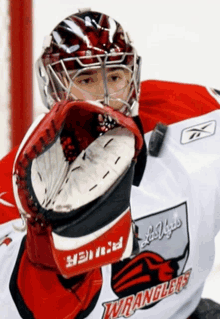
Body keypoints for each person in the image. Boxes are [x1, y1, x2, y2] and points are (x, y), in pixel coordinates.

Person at [0, 8, 220, 319]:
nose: (104, 95)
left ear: (133, 78)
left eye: (115, 76)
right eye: (85, 78)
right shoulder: (17, 180)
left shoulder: (195, 115)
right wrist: (42, 246)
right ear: (55, 86)